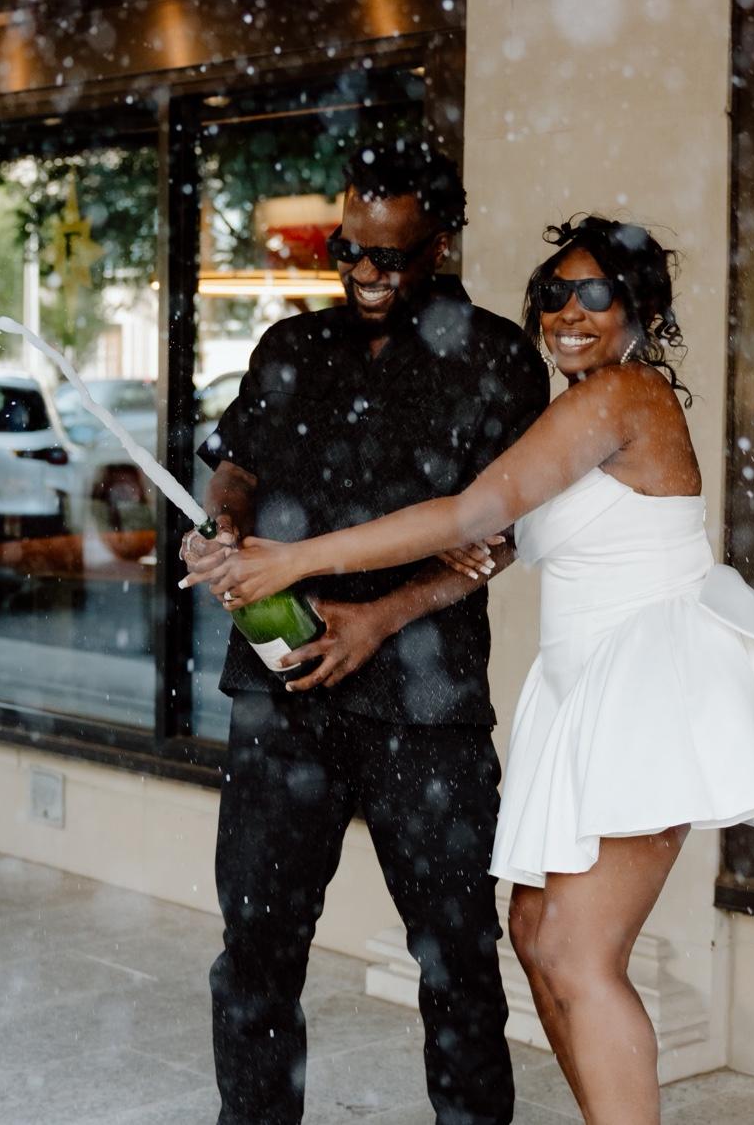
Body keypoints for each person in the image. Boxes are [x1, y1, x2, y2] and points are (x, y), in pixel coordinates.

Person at [207, 216, 754, 1125]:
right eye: (555, 294)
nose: (570, 312)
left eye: (597, 293)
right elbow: (490, 535)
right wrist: (405, 581)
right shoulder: (573, 408)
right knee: (537, 933)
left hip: (649, 680)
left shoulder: (620, 395)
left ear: (641, 311)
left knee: (576, 953)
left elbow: (470, 512)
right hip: (588, 686)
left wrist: (296, 561)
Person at [180, 140, 549, 1125]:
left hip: (425, 702)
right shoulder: (291, 346)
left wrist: (378, 617)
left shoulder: (496, 358)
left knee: (457, 954)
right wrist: (221, 529)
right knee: (255, 949)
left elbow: (503, 531)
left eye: (389, 254)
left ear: (440, 243)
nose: (364, 272)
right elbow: (237, 466)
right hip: (278, 687)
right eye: (348, 249)